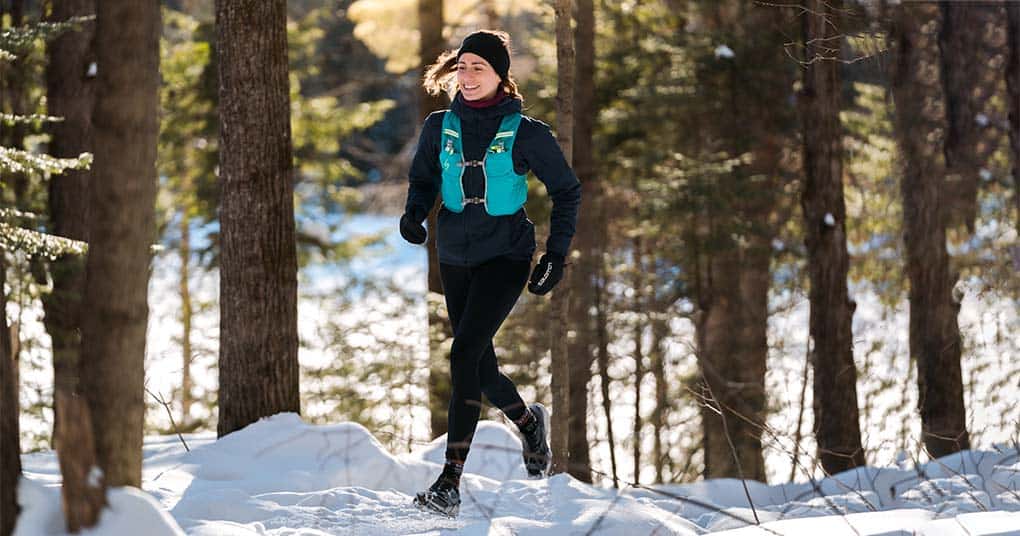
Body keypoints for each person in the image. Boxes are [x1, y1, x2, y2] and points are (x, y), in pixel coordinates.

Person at [399, 29, 581, 517]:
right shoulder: (440, 126)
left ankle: (449, 482)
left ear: (501, 75)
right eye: (462, 67)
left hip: (506, 256)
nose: (468, 75)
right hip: (455, 255)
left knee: (463, 354)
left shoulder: (528, 133)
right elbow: (422, 179)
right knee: (478, 365)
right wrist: (414, 214)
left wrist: (554, 255)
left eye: (479, 67)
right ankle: (528, 422)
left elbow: (567, 192)